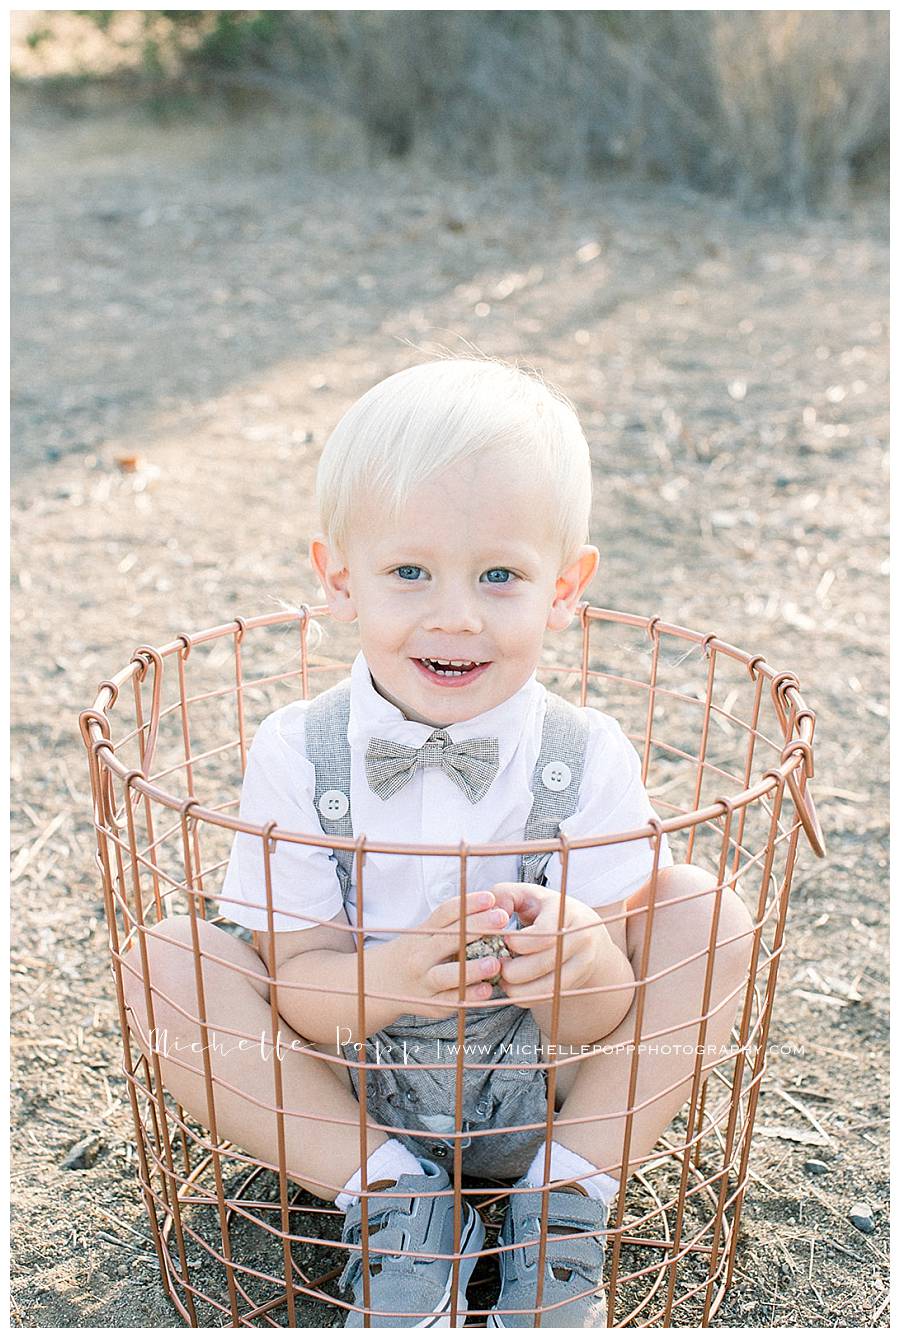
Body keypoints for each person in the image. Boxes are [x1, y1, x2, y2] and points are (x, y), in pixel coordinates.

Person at [123, 357, 754, 1328]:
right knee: (165, 958)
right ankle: (392, 1198)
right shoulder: (302, 751)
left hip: (546, 1086)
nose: (454, 613)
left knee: (705, 912)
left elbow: (601, 1019)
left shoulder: (584, 757)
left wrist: (577, 962)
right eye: (409, 571)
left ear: (565, 589)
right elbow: (298, 990)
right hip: (351, 1087)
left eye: (499, 575)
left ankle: (566, 1194)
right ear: (338, 579)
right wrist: (392, 983)